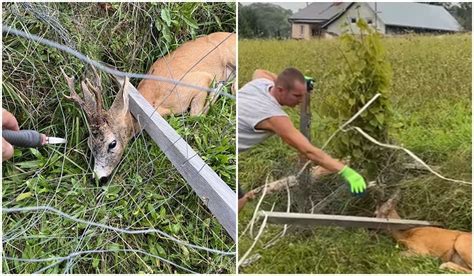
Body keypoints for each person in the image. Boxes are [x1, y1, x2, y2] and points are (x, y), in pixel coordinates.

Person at [237, 68, 367, 211]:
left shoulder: (260, 84)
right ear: (280, 90)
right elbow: (309, 151)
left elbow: (259, 71)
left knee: (240, 198)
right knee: (238, 201)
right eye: (297, 95)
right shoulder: (273, 117)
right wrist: (346, 171)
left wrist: (299, 83)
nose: (301, 100)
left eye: (303, 95)